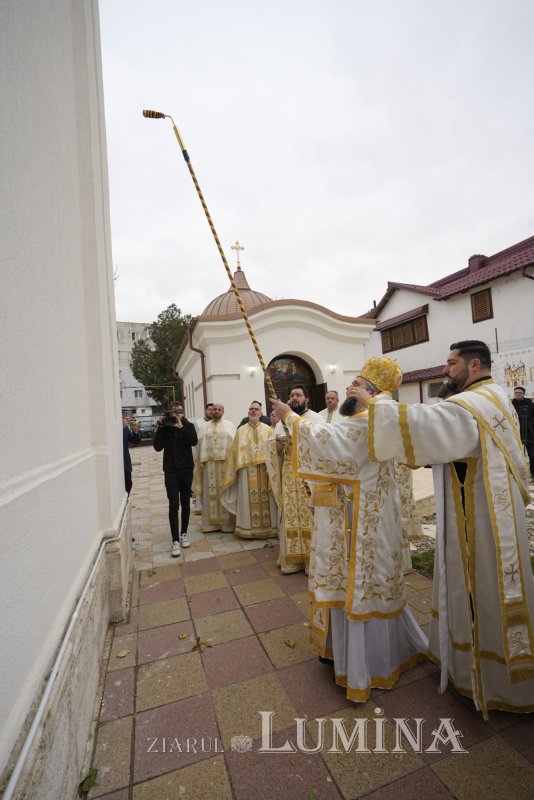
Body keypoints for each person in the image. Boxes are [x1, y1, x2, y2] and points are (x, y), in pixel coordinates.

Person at [365, 340, 534, 717]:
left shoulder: (473, 405)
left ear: (474, 365)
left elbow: (432, 427)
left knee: (483, 591)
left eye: (451, 362)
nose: (445, 369)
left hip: (481, 524)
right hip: (491, 512)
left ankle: (492, 680)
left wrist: (378, 402)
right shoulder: (493, 397)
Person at [271, 358, 428, 702]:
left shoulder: (371, 420)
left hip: (359, 521)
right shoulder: (360, 419)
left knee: (356, 584)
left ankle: (363, 665)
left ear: (374, 392)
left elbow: (330, 443)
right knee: (345, 583)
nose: (350, 387)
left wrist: (289, 416)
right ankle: (338, 649)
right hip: (348, 513)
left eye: (357, 383)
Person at [265, 385, 322, 574]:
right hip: (289, 473)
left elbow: (324, 445)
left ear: (307, 399)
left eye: (298, 395)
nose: (294, 398)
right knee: (290, 514)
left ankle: (312, 560)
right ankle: (292, 558)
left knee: (310, 515)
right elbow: (273, 450)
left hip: (309, 475)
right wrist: (278, 445)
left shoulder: (316, 419)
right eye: (291, 395)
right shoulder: (282, 422)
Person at [221, 402, 278, 538]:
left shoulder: (268, 430)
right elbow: (234, 454)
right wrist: (233, 471)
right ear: (248, 411)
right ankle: (247, 529)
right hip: (246, 472)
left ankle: (270, 529)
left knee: (267, 501)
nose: (253, 411)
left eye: (256, 409)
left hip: (265, 471)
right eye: (251, 409)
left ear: (261, 412)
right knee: (247, 500)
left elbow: (274, 451)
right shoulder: (240, 431)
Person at [153, 402, 198, 558]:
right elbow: (157, 447)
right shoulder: (166, 427)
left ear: (183, 412)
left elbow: (194, 441)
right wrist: (159, 426)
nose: (176, 414)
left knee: (185, 503)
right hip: (170, 471)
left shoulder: (189, 425)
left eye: (179, 411)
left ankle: (184, 533)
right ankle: (175, 541)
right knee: (173, 504)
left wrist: (182, 428)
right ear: (170, 413)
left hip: (186, 470)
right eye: (174, 412)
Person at [192, 403, 236, 533]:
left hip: (225, 465)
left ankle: (226, 525)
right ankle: (209, 525)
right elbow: (198, 445)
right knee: (208, 493)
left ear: (223, 411)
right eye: (214, 409)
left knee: (225, 493)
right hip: (208, 465)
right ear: (210, 412)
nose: (216, 411)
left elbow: (234, 444)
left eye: (219, 409)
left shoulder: (230, 425)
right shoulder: (203, 427)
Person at [511, 386, 534, 479]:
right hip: (516, 434)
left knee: (532, 455)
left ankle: (533, 474)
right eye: (516, 393)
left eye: (520, 393)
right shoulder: (510, 405)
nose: (518, 394)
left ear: (523, 394)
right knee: (516, 456)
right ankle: (517, 475)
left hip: (530, 434)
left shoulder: (530, 405)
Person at [122, 413, 140, 495]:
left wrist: (135, 430)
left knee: (129, 483)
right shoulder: (120, 427)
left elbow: (135, 441)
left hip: (126, 464)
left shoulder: (125, 428)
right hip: (117, 464)